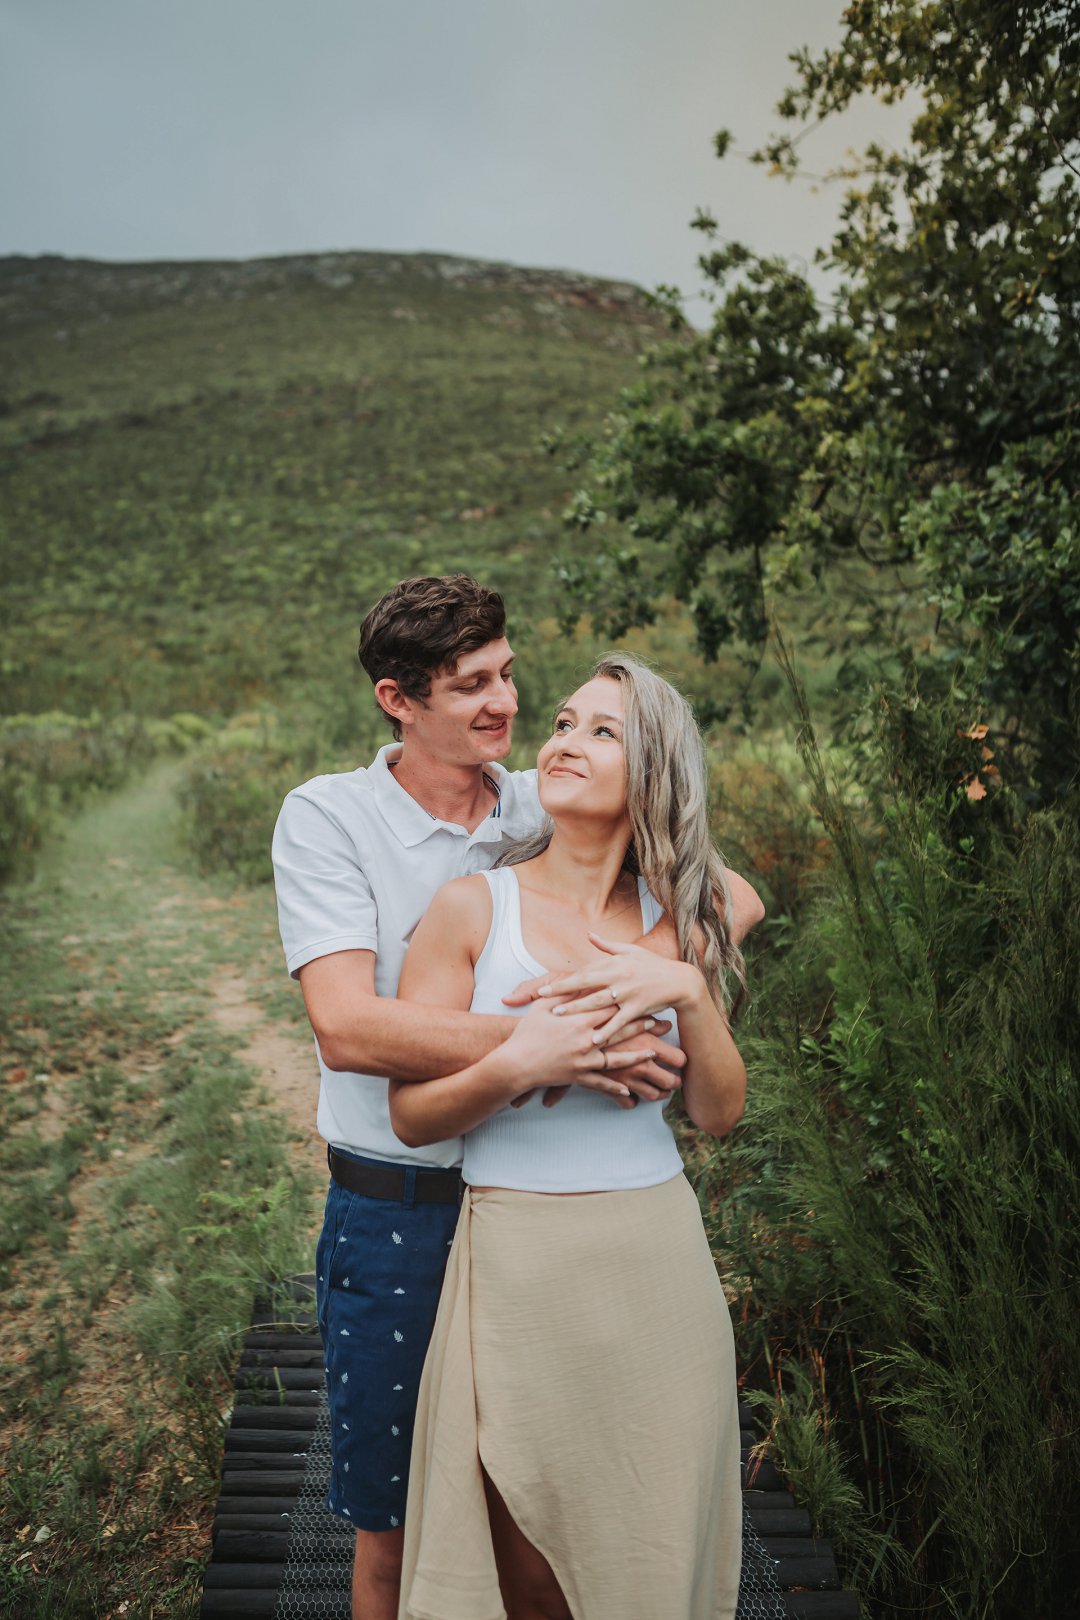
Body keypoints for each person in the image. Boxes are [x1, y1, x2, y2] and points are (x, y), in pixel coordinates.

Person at [272, 576, 764, 1620]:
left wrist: (657, 981)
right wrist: (563, 1042)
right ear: (399, 700)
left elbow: (731, 896)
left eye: (507, 676)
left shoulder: (545, 791)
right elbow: (347, 1028)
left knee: (591, 1519)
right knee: (404, 1527)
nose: (507, 706)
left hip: (585, 1223)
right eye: (471, 686)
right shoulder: (330, 817)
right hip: (405, 1206)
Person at [389, 653, 751, 1620]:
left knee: (652, 1554)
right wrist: (524, 1061)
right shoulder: (474, 907)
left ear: (654, 770)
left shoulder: (677, 921)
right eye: (560, 723)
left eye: (601, 731)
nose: (562, 742)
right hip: (519, 1261)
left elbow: (718, 1113)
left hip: (657, 1260)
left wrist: (687, 990)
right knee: (536, 1570)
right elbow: (410, 1116)